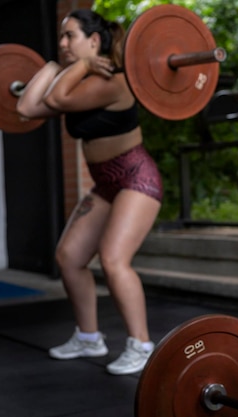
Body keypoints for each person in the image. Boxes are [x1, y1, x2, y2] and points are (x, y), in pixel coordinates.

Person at [16, 9, 163, 375]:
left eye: (70, 36)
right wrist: (53, 65)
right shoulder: (78, 80)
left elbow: (57, 101)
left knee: (113, 260)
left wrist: (77, 68)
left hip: (136, 178)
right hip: (106, 183)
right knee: (69, 257)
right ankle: (88, 337)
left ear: (94, 42)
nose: (63, 43)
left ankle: (142, 345)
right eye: (61, 37)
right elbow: (25, 107)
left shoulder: (114, 80)